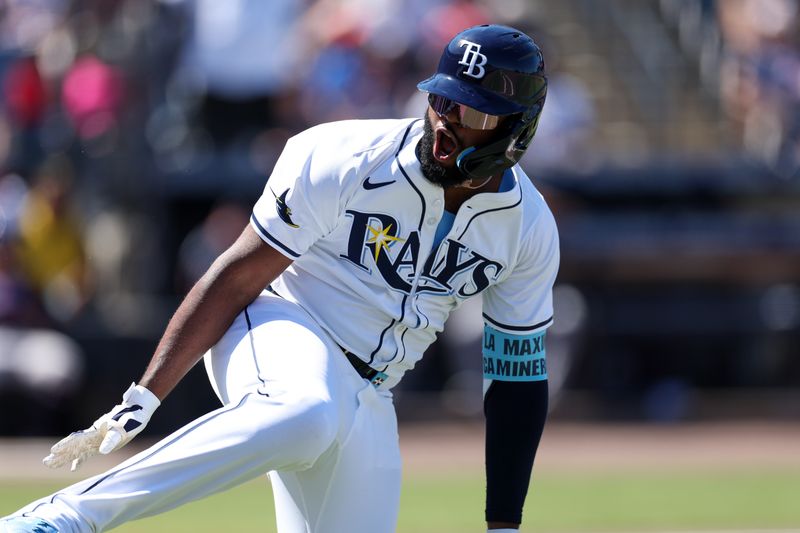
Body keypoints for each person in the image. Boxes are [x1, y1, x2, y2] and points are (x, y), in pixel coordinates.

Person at [1, 24, 557, 533]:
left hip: (370, 393)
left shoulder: (528, 228)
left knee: (320, 417)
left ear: (518, 130)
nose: (446, 124)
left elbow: (515, 385)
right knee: (304, 412)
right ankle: (61, 518)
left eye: (475, 115)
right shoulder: (346, 154)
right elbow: (238, 274)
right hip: (279, 325)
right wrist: (146, 393)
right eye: (442, 101)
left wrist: (503, 525)